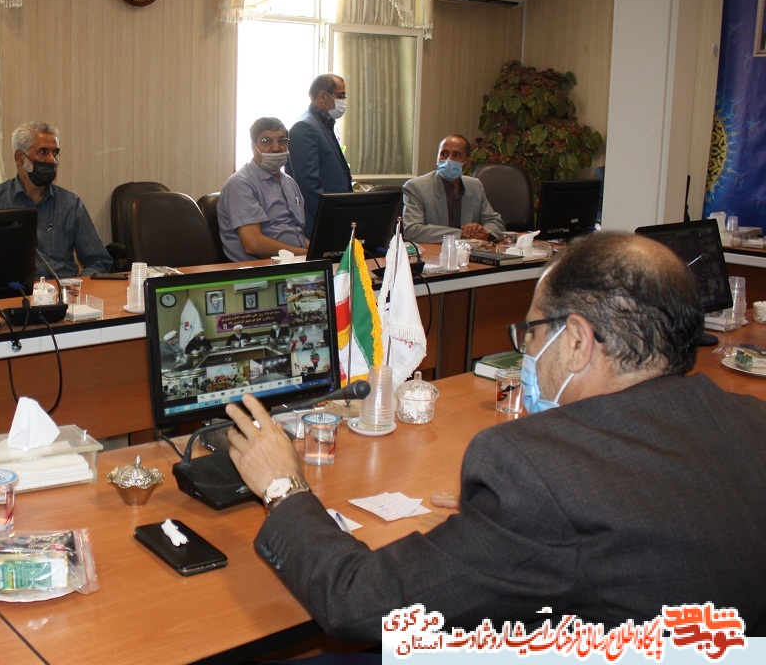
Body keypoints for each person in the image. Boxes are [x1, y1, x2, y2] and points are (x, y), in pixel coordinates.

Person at [224, 231, 766, 639]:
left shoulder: (537, 471)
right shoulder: (751, 421)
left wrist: (283, 487)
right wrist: (499, 529)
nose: (526, 351)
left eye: (532, 333)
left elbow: (359, 604)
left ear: (578, 342)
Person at [0, 121, 112, 278]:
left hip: (61, 288)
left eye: (55, 153)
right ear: (20, 158)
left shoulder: (71, 204)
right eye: (43, 152)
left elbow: (99, 261)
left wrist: (75, 286)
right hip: (12, 290)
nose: (52, 160)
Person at [217, 117, 308, 261]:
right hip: (259, 269)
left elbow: (296, 235)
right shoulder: (240, 184)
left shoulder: (290, 182)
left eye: (282, 141)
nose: (276, 148)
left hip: (295, 263)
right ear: (253, 146)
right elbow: (254, 245)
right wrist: (305, 255)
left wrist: (319, 252)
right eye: (266, 141)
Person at [402, 135, 505, 243]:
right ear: (437, 157)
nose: (449, 159)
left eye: (456, 155)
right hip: (434, 252)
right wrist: (462, 235)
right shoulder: (416, 187)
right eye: (444, 153)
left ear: (468, 162)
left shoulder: (475, 186)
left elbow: (496, 223)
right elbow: (412, 231)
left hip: (470, 251)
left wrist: (483, 233)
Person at [286, 74, 353, 238]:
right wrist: (330, 218)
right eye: (341, 95)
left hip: (334, 219)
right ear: (323, 96)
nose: (344, 100)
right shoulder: (305, 128)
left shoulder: (323, 124)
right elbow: (308, 184)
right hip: (319, 223)